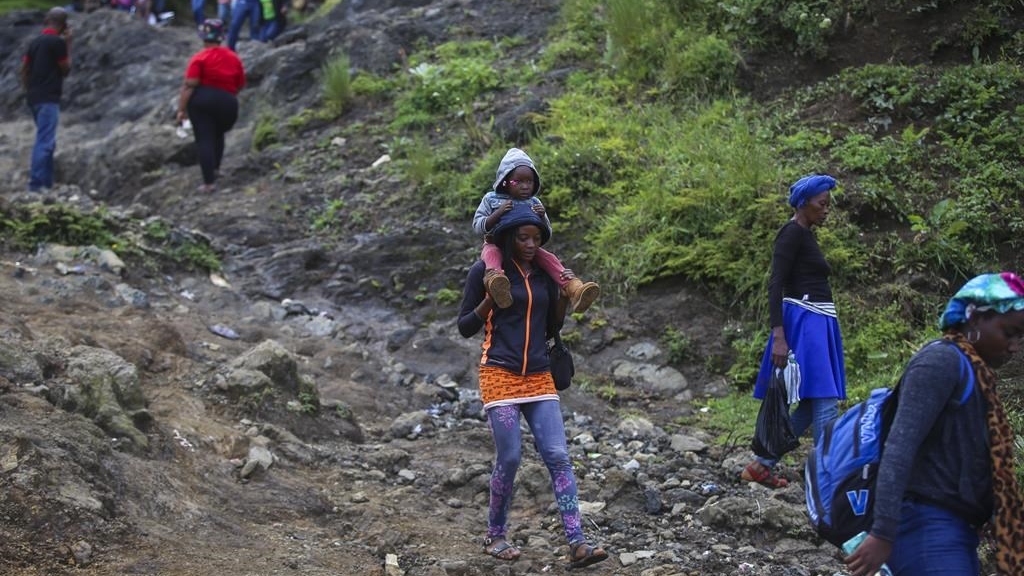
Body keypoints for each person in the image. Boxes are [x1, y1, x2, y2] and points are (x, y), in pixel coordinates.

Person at [457, 204, 609, 569]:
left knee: (558, 457)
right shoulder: (486, 271)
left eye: (536, 238)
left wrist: (562, 297)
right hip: (499, 374)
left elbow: (550, 327)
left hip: (539, 375)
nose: (529, 244)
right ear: (508, 237)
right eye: (523, 237)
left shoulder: (543, 271)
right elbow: (464, 326)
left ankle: (577, 543)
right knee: (509, 458)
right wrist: (490, 300)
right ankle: (495, 535)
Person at [846, 272, 1024, 576]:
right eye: (1009, 332)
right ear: (975, 319)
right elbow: (899, 448)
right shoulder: (940, 362)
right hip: (924, 526)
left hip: (954, 530)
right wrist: (883, 532)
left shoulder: (976, 374)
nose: (1014, 347)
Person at [741, 174, 846, 488]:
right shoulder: (792, 233)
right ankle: (829, 476)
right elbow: (776, 284)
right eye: (822, 204)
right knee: (825, 398)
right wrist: (779, 335)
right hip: (806, 321)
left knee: (814, 402)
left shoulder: (806, 234)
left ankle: (762, 465)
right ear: (804, 203)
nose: (826, 210)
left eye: (828, 204)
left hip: (818, 321)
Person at [472, 148, 600, 314]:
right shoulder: (492, 199)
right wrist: (498, 213)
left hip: (525, 247)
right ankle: (497, 284)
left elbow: (546, 232)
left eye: (529, 182)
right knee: (491, 254)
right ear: (505, 181)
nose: (525, 186)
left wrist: (541, 217)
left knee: (549, 258)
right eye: (517, 182)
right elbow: (477, 225)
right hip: (497, 243)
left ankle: (574, 289)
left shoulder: (534, 202)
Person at [176, 19, 245, 193]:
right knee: (218, 133)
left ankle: (209, 183)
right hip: (228, 102)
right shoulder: (233, 57)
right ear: (221, 37)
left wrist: (181, 110)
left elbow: (190, 84)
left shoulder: (200, 58)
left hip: (203, 100)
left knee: (204, 139)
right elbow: (240, 84)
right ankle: (215, 169)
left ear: (203, 38)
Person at [19, 7, 71, 193]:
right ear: (64, 25)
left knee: (47, 140)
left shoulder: (34, 42)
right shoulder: (57, 42)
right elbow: (65, 70)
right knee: (45, 141)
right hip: (49, 97)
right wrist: (68, 44)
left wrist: (28, 90)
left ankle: (46, 183)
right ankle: (37, 185)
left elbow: (24, 68)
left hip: (34, 97)